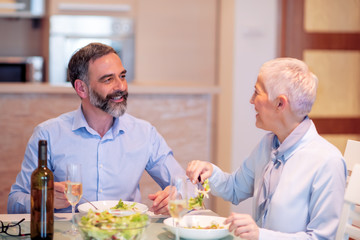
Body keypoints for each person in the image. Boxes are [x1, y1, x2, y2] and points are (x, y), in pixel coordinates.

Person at [8, 42, 185, 214]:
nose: (121, 86)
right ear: (81, 88)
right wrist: (44, 199)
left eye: (122, 76)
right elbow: (14, 202)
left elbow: (185, 186)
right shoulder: (48, 134)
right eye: (108, 79)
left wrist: (176, 195)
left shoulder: (145, 133)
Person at [186, 58, 347, 239]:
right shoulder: (268, 144)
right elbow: (235, 188)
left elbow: (321, 238)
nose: (251, 100)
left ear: (280, 103)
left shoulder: (327, 161)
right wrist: (210, 172)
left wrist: (260, 235)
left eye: (256, 93)